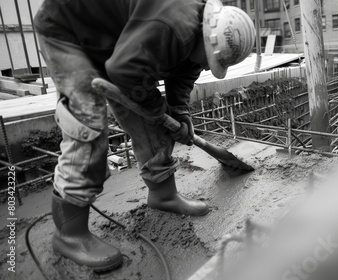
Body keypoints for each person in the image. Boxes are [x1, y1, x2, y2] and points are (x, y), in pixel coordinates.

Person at [34, 0, 255, 271]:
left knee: (151, 125)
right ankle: (70, 235)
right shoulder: (172, 27)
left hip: (118, 44)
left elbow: (185, 72)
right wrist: (158, 109)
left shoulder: (198, 31)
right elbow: (125, 71)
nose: (209, 67)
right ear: (206, 38)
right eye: (211, 60)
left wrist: (179, 112)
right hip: (68, 33)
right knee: (87, 126)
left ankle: (163, 195)